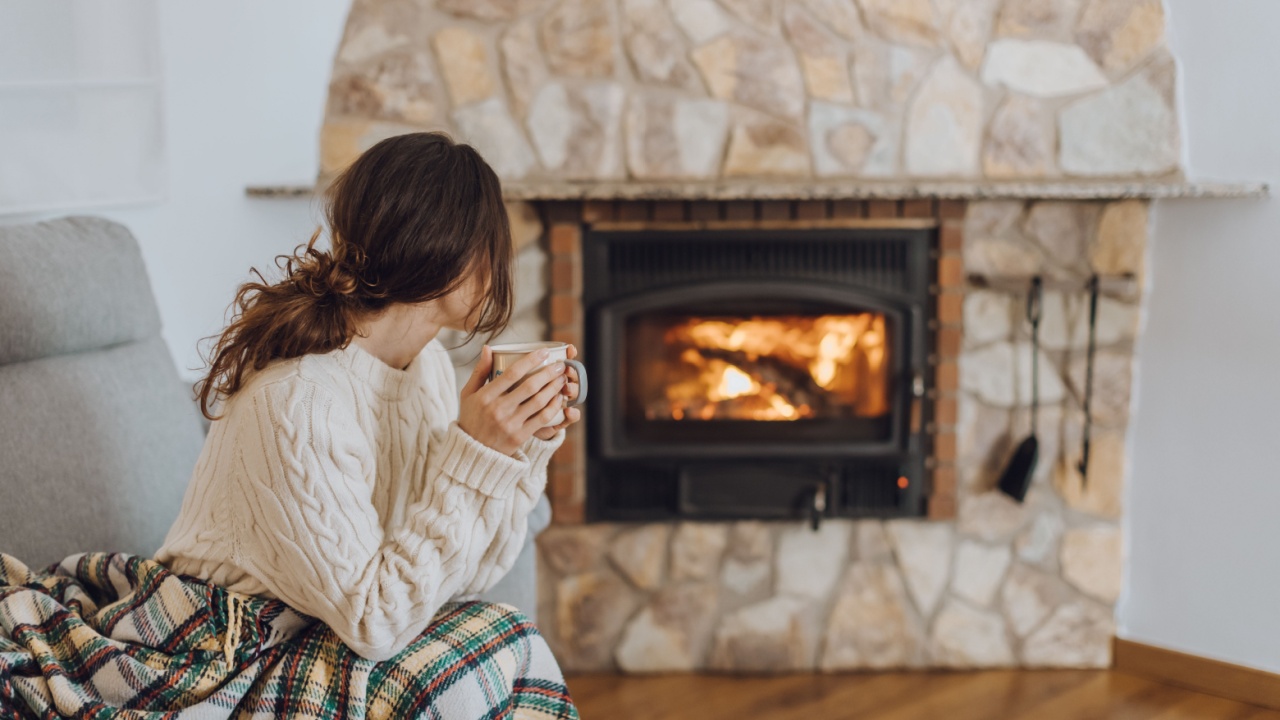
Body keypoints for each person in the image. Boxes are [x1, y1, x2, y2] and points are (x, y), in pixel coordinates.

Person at [154, 131, 580, 663]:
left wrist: (520, 446)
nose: (501, 266)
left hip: (322, 626)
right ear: (445, 250)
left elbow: (471, 576)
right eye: (493, 243)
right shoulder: (300, 402)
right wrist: (477, 453)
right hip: (222, 642)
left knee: (503, 637)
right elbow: (374, 624)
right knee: (495, 656)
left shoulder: (425, 368)